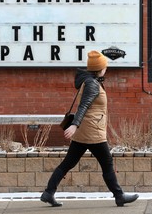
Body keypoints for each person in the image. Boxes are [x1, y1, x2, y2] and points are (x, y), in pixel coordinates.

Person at [40, 50, 139, 207]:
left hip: (83, 132)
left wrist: (77, 127)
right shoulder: (92, 84)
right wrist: (74, 124)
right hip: (93, 132)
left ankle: (48, 192)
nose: (106, 68)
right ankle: (119, 196)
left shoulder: (88, 81)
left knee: (67, 163)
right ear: (100, 68)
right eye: (105, 66)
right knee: (107, 163)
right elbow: (84, 106)